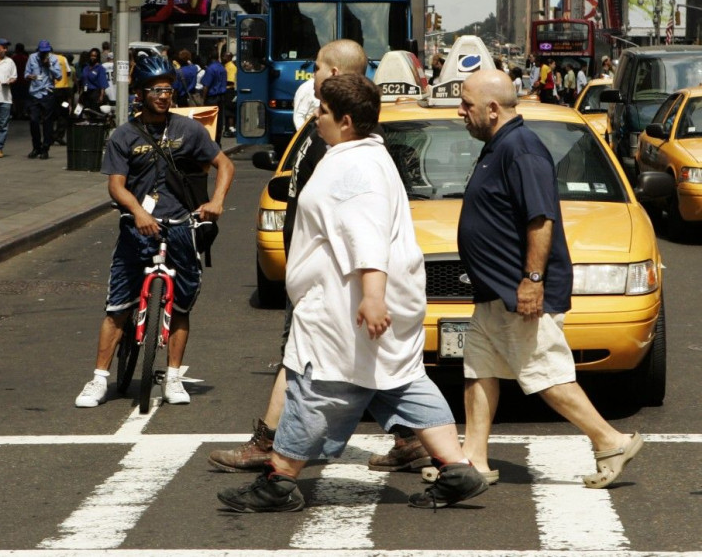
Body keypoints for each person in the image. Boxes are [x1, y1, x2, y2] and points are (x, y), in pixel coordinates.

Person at [217, 73, 489, 513]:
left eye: (321, 112)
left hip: (346, 305)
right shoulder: (365, 156)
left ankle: (279, 480)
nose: (315, 118)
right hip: (368, 300)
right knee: (402, 382)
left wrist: (372, 295)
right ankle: (457, 468)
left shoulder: (352, 167)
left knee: (315, 388)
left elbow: (365, 234)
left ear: (344, 121)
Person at [207, 40, 432, 475]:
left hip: (328, 278)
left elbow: (354, 217)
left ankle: (271, 447)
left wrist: (363, 286)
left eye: (316, 67)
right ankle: (412, 439)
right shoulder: (323, 128)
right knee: (371, 363)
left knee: (300, 359)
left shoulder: (347, 139)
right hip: (311, 273)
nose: (311, 74)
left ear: (332, 73)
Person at [455, 69, 643, 489]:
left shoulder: (521, 150)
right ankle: (474, 457)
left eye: (466, 104)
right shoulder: (498, 146)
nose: (460, 112)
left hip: (518, 290)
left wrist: (532, 280)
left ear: (492, 108)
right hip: (495, 293)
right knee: (479, 368)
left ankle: (610, 439)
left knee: (545, 374)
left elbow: (541, 220)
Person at [74, 56, 235, 408]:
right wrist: (136, 212)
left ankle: (173, 377)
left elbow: (224, 164)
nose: (164, 95)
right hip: (137, 227)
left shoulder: (188, 129)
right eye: (156, 90)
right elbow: (116, 186)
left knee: (180, 305)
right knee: (117, 306)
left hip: (179, 226)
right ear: (141, 94)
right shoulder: (124, 135)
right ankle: (99, 379)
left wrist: (217, 202)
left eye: (168, 88)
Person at [25, 39, 62, 160]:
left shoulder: (54, 59)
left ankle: (45, 148)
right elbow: (26, 74)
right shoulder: (32, 58)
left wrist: (49, 65)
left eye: (46, 52)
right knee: (33, 120)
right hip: (34, 93)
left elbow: (59, 76)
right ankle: (36, 147)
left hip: (47, 92)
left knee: (48, 121)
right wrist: (30, 76)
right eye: (42, 52)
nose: (44, 54)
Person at [200, 47, 226, 146]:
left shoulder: (211, 69)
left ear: (210, 57)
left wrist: (203, 99)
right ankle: (218, 141)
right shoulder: (222, 68)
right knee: (219, 121)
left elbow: (206, 85)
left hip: (212, 98)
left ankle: (211, 142)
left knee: (210, 121)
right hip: (221, 97)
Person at [52, 52, 75, 146]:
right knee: (64, 112)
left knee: (51, 114)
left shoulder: (45, 59)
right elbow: (68, 73)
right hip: (62, 91)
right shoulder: (62, 59)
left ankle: (50, 135)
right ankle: (58, 135)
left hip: (50, 90)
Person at [80, 47, 109, 112]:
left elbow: (103, 82)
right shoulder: (86, 68)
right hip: (86, 92)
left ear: (97, 57)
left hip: (95, 93)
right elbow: (83, 80)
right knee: (84, 111)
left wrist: (101, 95)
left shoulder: (100, 68)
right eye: (91, 56)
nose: (92, 57)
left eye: (95, 56)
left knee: (93, 111)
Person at [222, 52, 237, 137]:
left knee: (229, 111)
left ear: (229, 57)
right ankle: (228, 129)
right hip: (227, 90)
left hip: (230, 91)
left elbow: (230, 81)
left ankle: (231, 129)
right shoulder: (226, 65)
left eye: (225, 56)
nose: (223, 58)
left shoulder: (231, 67)